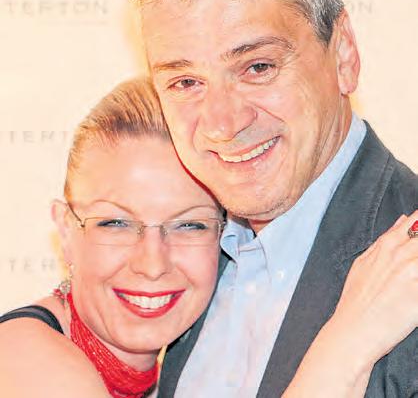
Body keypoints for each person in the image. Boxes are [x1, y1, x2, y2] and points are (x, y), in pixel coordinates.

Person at [123, 0, 418, 397]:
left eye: (257, 67)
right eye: (186, 82)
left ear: (344, 55)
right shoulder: (174, 267)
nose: (222, 123)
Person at [0, 79, 416, 398]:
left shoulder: (174, 364)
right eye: (115, 223)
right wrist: (347, 345)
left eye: (189, 225)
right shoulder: (28, 362)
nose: (152, 263)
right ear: (66, 229)